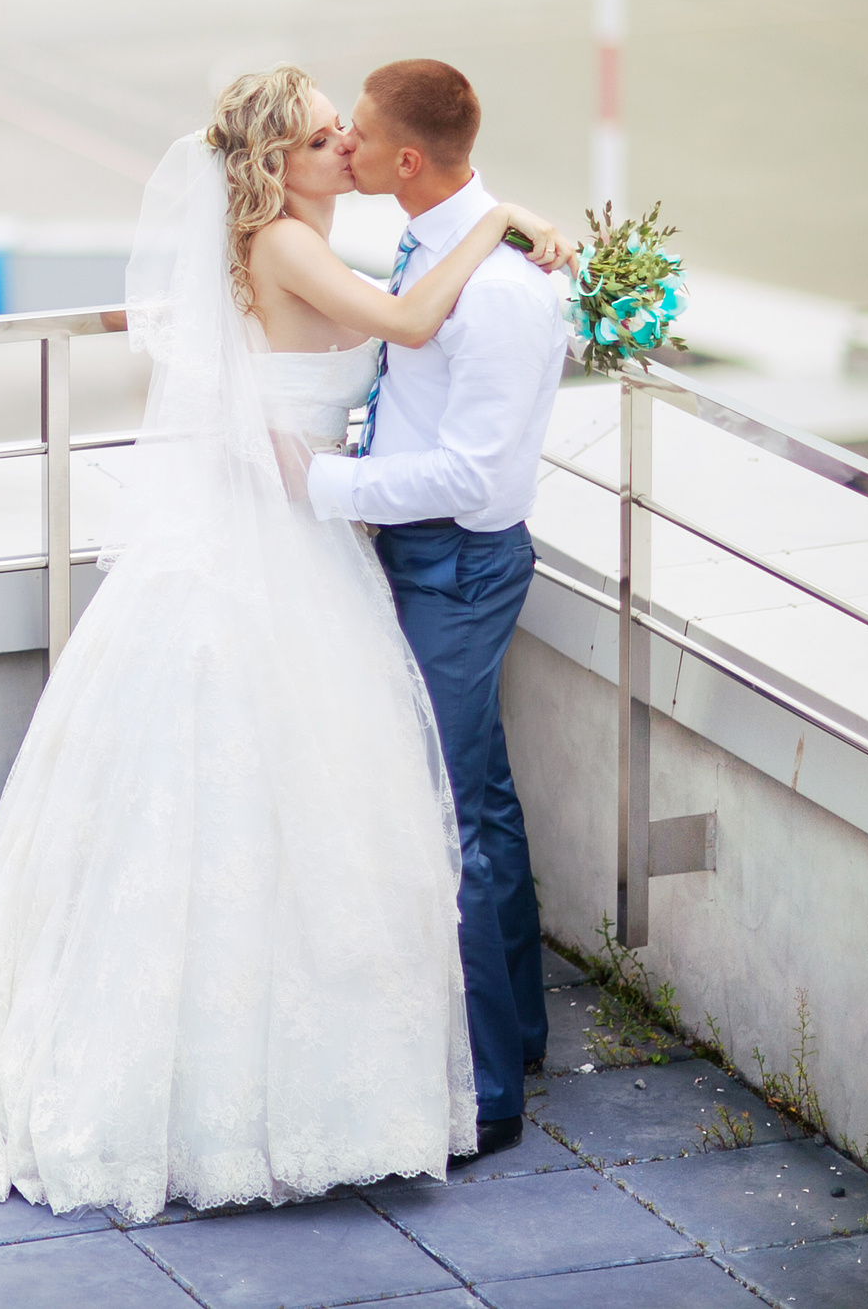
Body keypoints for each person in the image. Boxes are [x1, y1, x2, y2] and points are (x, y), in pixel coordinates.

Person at [0, 64, 572, 1220]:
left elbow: (394, 297)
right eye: (327, 138)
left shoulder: (310, 242)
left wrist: (493, 219)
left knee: (330, 800)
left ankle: (369, 1049)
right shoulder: (283, 243)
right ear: (276, 163)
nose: (347, 151)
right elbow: (409, 318)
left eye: (351, 135)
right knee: (266, 790)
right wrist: (502, 225)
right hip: (281, 533)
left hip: (314, 533)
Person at [306, 57, 570, 1160]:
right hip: (427, 557)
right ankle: (522, 1030)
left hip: (454, 565)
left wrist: (325, 488)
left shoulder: (501, 292)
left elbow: (470, 475)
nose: (345, 147)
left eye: (357, 134)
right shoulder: (441, 242)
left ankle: (489, 1094)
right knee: (481, 797)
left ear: (406, 159)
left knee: (449, 815)